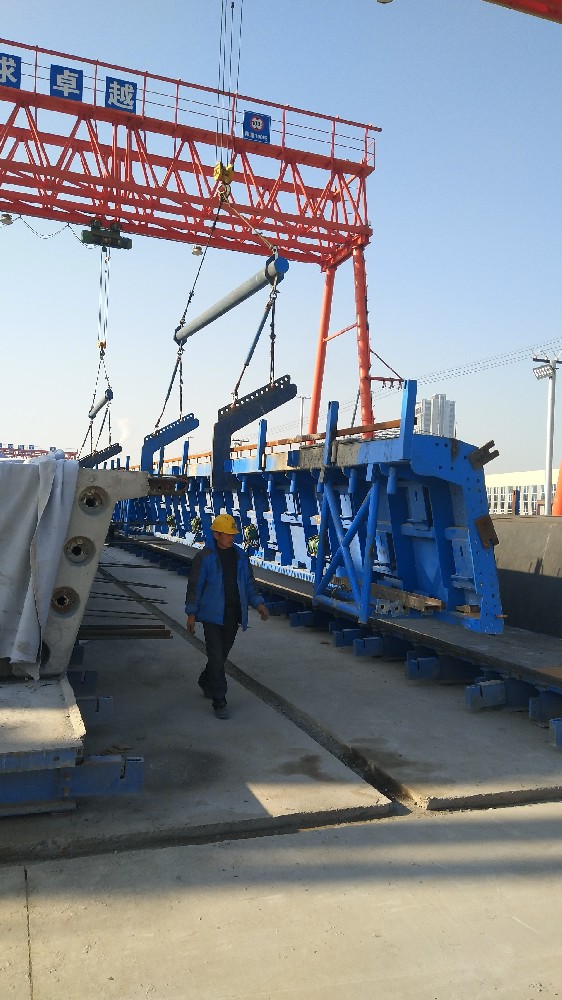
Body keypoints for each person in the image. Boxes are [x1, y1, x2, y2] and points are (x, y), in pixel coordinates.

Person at [185, 513, 269, 719]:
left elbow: (249, 583)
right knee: (216, 657)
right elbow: (195, 586)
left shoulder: (241, 557)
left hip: (233, 614)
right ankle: (219, 701)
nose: (231, 538)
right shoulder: (204, 558)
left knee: (220, 657)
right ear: (216, 535)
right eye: (227, 534)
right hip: (212, 616)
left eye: (233, 534)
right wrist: (191, 613)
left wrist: (258, 603)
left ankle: (205, 680)